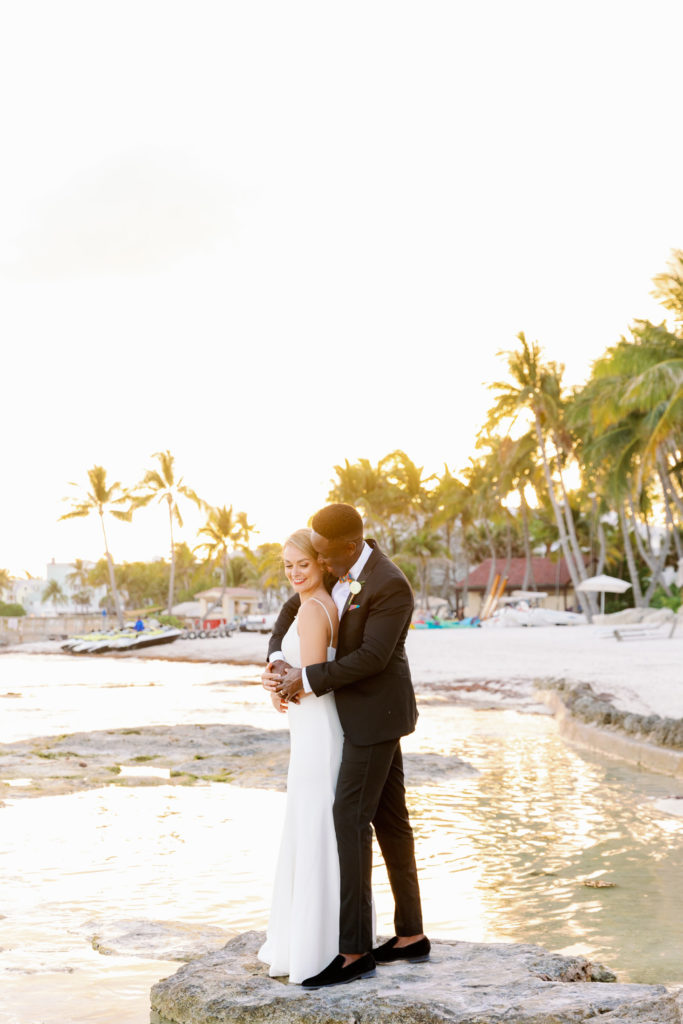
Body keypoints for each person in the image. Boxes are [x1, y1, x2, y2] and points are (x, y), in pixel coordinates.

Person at [263, 503, 429, 990]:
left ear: (351, 547)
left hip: (375, 717)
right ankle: (411, 936)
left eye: (327, 557)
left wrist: (305, 680)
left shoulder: (389, 584)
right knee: (391, 821)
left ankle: (354, 951)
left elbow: (373, 658)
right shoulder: (337, 569)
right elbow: (291, 610)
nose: (322, 564)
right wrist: (276, 657)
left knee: (348, 817)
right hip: (350, 716)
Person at [257, 529, 343, 984]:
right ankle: (316, 937)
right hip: (311, 731)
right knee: (313, 827)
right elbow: (299, 675)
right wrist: (278, 676)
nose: (294, 573)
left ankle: (314, 946)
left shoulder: (313, 610)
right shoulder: (315, 603)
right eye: (287, 565)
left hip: (315, 734)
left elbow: (311, 679)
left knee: (313, 828)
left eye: (302, 565)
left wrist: (283, 687)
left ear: (321, 564)